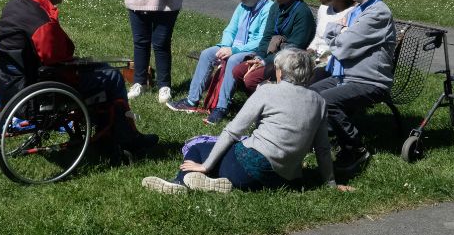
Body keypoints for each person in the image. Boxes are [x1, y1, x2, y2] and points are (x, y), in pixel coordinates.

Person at [0, 0, 157, 153]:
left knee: (101, 71)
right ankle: (125, 136)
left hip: (12, 84)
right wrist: (79, 64)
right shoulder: (42, 22)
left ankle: (105, 128)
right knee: (113, 76)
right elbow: (55, 62)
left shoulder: (14, 5)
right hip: (42, 88)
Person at [142, 50, 351, 194]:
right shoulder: (319, 101)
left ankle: (180, 182)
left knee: (199, 148)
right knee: (230, 157)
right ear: (309, 74)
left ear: (280, 72)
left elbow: (233, 131)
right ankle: (216, 182)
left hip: (251, 167)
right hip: (286, 178)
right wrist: (330, 183)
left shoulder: (267, 91)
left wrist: (205, 165)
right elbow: (322, 148)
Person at [309, 0, 396, 174]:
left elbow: (344, 47)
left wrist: (341, 32)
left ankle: (355, 148)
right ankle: (318, 142)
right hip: (347, 76)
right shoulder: (359, 10)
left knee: (327, 101)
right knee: (309, 94)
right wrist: (341, 30)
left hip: (369, 81)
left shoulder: (377, 14)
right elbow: (335, 35)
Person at [166, 0, 273, 124]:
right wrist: (225, 46)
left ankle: (221, 107)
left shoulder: (268, 9)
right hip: (234, 46)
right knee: (207, 54)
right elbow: (230, 30)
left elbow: (260, 40)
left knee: (234, 60)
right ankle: (191, 101)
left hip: (253, 50)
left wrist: (233, 51)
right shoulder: (243, 6)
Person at [231, 0, 316, 96]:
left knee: (251, 79)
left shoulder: (302, 13)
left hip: (289, 62)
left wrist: (264, 62)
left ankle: (268, 107)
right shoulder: (275, 7)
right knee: (237, 70)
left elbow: (293, 49)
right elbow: (267, 37)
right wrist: (259, 57)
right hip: (270, 57)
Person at [306, 0, 356, 83]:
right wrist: (309, 51)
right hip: (315, 57)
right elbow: (318, 38)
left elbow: (341, 48)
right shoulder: (323, 9)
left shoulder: (352, 14)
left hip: (332, 62)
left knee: (309, 78)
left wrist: (317, 61)